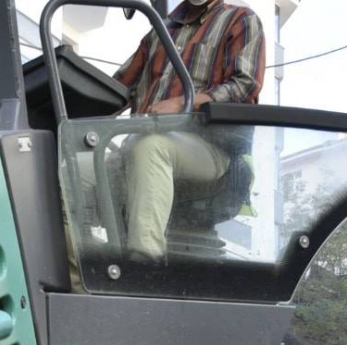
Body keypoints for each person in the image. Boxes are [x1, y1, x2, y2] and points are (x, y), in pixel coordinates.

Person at [112, 0, 265, 261]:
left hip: (208, 149)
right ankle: (76, 281)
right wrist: (68, 92)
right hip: (139, 146)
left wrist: (185, 103)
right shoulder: (160, 30)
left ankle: (144, 267)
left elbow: (245, 85)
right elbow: (118, 88)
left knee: (151, 147)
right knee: (71, 169)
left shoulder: (240, 19)